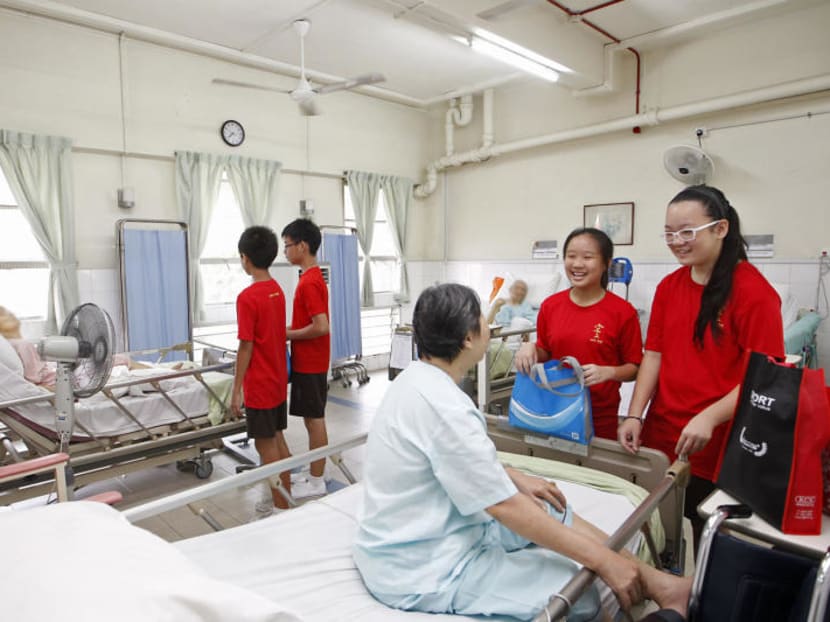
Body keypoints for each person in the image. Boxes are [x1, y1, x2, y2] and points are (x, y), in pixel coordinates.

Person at [354, 283, 691, 622]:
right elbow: (504, 507)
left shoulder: (415, 381)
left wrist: (513, 476)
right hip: (422, 567)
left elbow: (448, 457)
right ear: (468, 338)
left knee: (548, 506)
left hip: (439, 527)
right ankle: (646, 581)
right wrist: (604, 562)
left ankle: (660, 584)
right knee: (576, 595)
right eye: (483, 320)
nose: (488, 325)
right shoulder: (445, 407)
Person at [617, 185, 785, 547]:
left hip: (722, 443)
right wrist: (634, 415)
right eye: (669, 233)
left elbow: (764, 378)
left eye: (687, 232)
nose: (677, 241)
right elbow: (654, 355)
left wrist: (710, 416)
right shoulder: (669, 287)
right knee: (661, 530)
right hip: (664, 434)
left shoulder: (753, 293)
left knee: (708, 536)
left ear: (720, 229)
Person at [514, 228, 643, 440]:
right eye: (571, 256)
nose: (577, 264)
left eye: (587, 257)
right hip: (555, 408)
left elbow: (635, 368)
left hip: (599, 415)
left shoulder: (622, 312)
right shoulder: (551, 306)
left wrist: (608, 373)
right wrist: (530, 349)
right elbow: (546, 350)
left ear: (606, 264)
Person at [231, 226, 291, 514]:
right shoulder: (276, 290)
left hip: (260, 385)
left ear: (245, 258)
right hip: (278, 381)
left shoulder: (248, 297)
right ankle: (287, 502)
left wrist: (236, 391)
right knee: (277, 441)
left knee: (267, 449)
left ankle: (282, 510)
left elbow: (246, 347)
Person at [282, 218, 330, 499]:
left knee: (315, 420)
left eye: (288, 245)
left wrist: (288, 335)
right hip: (309, 359)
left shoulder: (309, 282)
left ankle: (317, 480)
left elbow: (321, 326)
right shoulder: (309, 277)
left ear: (302, 245)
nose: (285, 251)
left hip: (311, 361)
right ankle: (315, 472)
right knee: (312, 420)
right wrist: (288, 330)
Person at [0, 305, 136, 388]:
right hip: (62, 379)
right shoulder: (23, 345)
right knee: (117, 359)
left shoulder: (12, 344)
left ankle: (151, 373)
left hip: (60, 372)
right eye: (2, 315)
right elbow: (34, 378)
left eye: (7, 312)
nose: (10, 314)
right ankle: (154, 375)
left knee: (110, 360)